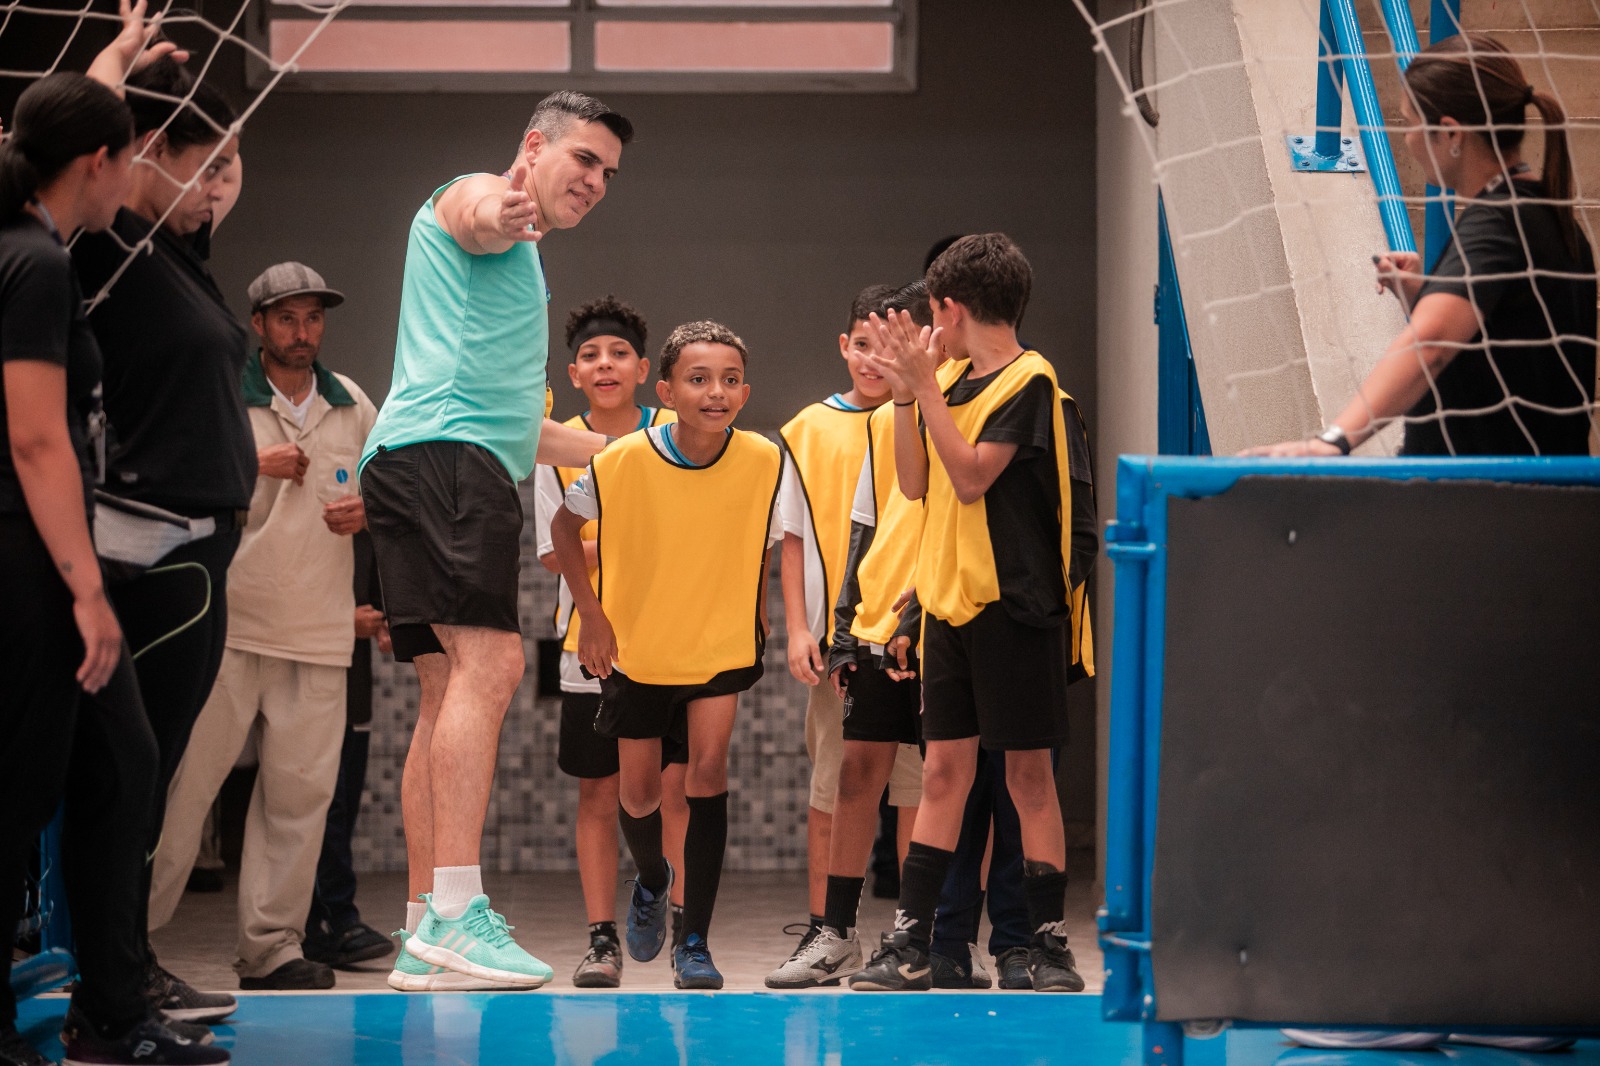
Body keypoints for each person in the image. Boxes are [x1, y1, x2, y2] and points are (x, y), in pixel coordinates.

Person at [359, 90, 632, 990]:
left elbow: (522, 430)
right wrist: (500, 211)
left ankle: (421, 929)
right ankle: (456, 910)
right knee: (495, 664)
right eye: (583, 159)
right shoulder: (482, 201)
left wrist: (636, 451)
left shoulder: (514, 273)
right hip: (446, 464)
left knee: (443, 692)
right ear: (534, 147)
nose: (595, 182)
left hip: (423, 458)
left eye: (608, 173)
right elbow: (474, 209)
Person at [0, 64, 226, 1066]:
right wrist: (87, 590)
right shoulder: (35, 262)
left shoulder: (35, 246)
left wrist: (116, 62)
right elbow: (36, 439)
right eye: (129, 156)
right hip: (34, 560)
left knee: (115, 763)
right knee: (31, 784)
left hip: (41, 555)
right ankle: (105, 1011)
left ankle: (113, 1008)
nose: (132, 177)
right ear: (99, 161)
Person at [849, 234, 1092, 993]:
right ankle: (913, 943)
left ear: (950, 308)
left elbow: (971, 477)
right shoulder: (946, 379)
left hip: (1015, 609)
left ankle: (1047, 945)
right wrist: (904, 394)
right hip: (947, 610)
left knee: (1028, 778)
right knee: (944, 774)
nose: (929, 331)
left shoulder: (1030, 379)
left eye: (932, 315)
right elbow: (916, 482)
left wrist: (923, 389)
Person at [69, 53, 248, 1026]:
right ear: (142, 151)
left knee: (149, 775)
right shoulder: (107, 244)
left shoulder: (179, 253)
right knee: (126, 775)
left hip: (199, 549)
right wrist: (115, 72)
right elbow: (67, 147)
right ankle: (113, 979)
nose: (219, 183)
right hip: (150, 548)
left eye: (230, 164)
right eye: (205, 162)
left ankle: (127, 965)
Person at [145, 262, 379, 990]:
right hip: (228, 626)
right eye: (286, 318)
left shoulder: (352, 405)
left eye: (313, 318)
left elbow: (391, 489)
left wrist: (370, 510)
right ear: (258, 326)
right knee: (181, 794)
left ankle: (272, 948)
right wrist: (251, 462)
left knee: (299, 802)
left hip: (319, 632)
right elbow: (168, 478)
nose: (302, 332)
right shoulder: (221, 393)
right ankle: (123, 942)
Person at [551, 320, 783, 991]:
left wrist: (760, 606)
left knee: (707, 774)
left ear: (746, 393)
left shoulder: (765, 459)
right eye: (699, 379)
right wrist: (593, 616)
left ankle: (695, 942)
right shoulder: (620, 461)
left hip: (718, 647)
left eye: (731, 380)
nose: (717, 392)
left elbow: (764, 539)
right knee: (639, 792)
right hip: (639, 651)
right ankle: (652, 878)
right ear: (667, 391)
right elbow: (564, 530)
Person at [1248, 33, 1595, 459]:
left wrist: (1331, 441)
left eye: (1411, 123)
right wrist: (1428, 294)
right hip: (1535, 488)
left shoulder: (1497, 223)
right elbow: (1500, 348)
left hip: (1482, 493)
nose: (1407, 140)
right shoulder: (1552, 218)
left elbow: (1430, 345)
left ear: (1450, 133)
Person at [767, 281, 942, 988]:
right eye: (863, 344)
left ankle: (912, 936)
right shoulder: (807, 429)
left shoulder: (937, 414)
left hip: (919, 634)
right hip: (844, 641)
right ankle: (826, 929)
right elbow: (792, 537)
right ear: (844, 346)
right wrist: (800, 628)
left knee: (919, 790)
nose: (874, 359)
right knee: (837, 786)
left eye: (889, 346)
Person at [533, 295, 688, 988]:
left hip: (675, 641)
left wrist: (610, 540)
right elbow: (551, 553)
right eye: (591, 355)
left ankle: (685, 926)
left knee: (674, 792)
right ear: (574, 373)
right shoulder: (555, 444)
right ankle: (601, 939)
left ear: (644, 370)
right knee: (597, 796)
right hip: (586, 645)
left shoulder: (672, 433)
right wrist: (631, 538)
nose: (605, 364)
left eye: (619, 353)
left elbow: (692, 533)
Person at [303, 532, 394, 970]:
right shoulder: (302, 517)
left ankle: (325, 922)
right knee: (326, 807)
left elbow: (374, 582)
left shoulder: (360, 521)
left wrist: (386, 619)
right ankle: (331, 919)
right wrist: (341, 622)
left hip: (352, 686)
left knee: (344, 807)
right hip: (310, 678)